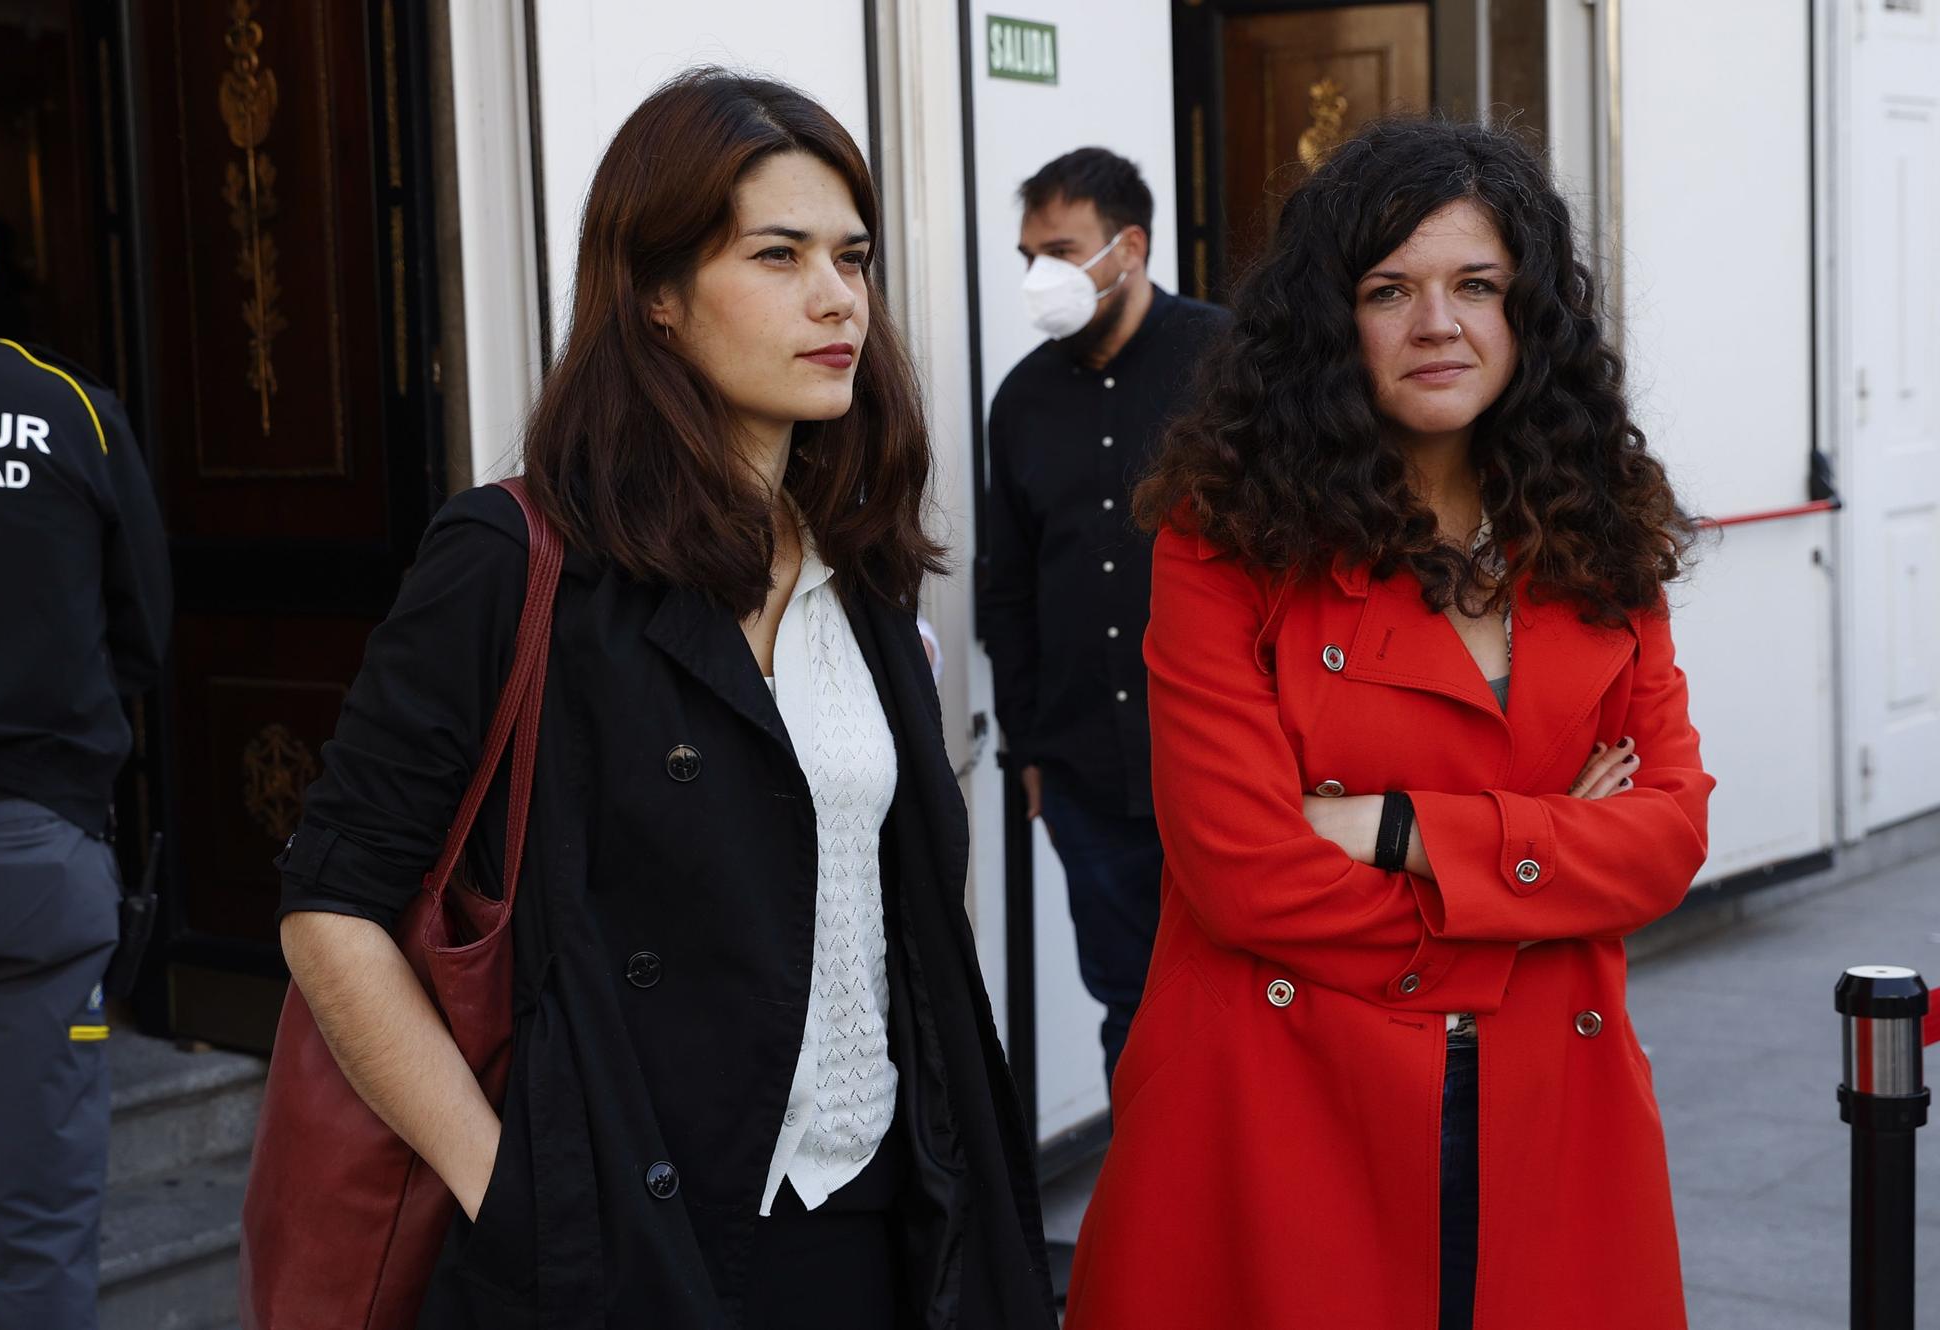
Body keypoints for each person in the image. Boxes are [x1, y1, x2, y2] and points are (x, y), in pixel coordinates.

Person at [273, 70, 1055, 1328]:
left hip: (881, 1210)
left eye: (851, 258)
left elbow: (896, 892)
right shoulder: (512, 558)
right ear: (655, 293)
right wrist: (514, 1193)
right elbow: (330, 909)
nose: (834, 298)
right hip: (623, 1235)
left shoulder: (859, 572)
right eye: (778, 254)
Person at [1063, 119, 1715, 1330]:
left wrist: (1400, 825)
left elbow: (1667, 833)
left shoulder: (1602, 530)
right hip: (1278, 1111)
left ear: (1529, 315)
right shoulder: (1222, 539)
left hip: (1550, 1107)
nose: (1437, 323)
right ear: (1328, 323)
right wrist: (1536, 879)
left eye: (1476, 284)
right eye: (1387, 289)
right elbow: (1244, 875)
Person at [0, 153, 171, 1329]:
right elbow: (147, 630)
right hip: (31, 854)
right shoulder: (70, 408)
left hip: (23, 845)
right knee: (32, 1241)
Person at [981, 148, 1230, 1091]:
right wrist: (1029, 752)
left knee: (1249, 1001)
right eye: (1026, 254)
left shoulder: (1228, 363)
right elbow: (1010, 589)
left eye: (1060, 249)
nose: (1038, 275)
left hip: (1219, 760)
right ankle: (1153, 1233)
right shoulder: (1023, 398)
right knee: (1130, 1009)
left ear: (1129, 247)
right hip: (1085, 774)